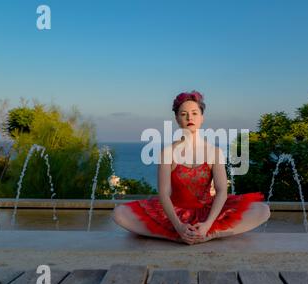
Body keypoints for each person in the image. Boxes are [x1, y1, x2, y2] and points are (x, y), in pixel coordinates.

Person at [113, 90, 270, 244]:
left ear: (202, 118)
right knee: (119, 213)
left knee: (263, 210)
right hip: (174, 213)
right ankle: (176, 235)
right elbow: (164, 194)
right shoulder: (167, 152)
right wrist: (179, 226)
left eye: (194, 113)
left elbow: (222, 191)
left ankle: (210, 234)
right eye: (183, 114)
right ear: (176, 118)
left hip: (208, 211)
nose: (189, 117)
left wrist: (208, 224)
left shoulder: (214, 152)